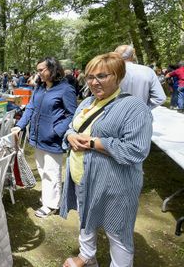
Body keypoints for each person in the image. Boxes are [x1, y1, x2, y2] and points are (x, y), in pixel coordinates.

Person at [60, 52, 153, 267]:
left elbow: (136, 150)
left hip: (116, 185)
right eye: (90, 77)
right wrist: (71, 135)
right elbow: (71, 129)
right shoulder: (86, 103)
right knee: (85, 220)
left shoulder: (134, 107)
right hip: (83, 179)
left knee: (117, 230)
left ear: (118, 76)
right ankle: (87, 256)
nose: (94, 82)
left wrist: (93, 142)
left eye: (102, 76)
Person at [12, 57, 77, 218]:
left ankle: (51, 204)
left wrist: (56, 131)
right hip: (37, 137)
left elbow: (72, 114)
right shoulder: (39, 88)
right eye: (38, 70)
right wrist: (19, 125)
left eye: (42, 70)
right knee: (42, 170)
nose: (38, 73)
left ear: (53, 69)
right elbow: (30, 108)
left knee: (51, 172)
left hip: (52, 140)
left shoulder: (65, 89)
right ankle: (49, 196)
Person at [114, 45, 166, 109]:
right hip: (141, 115)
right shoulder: (148, 71)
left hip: (117, 114)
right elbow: (160, 98)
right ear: (133, 55)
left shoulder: (111, 72)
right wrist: (144, 109)